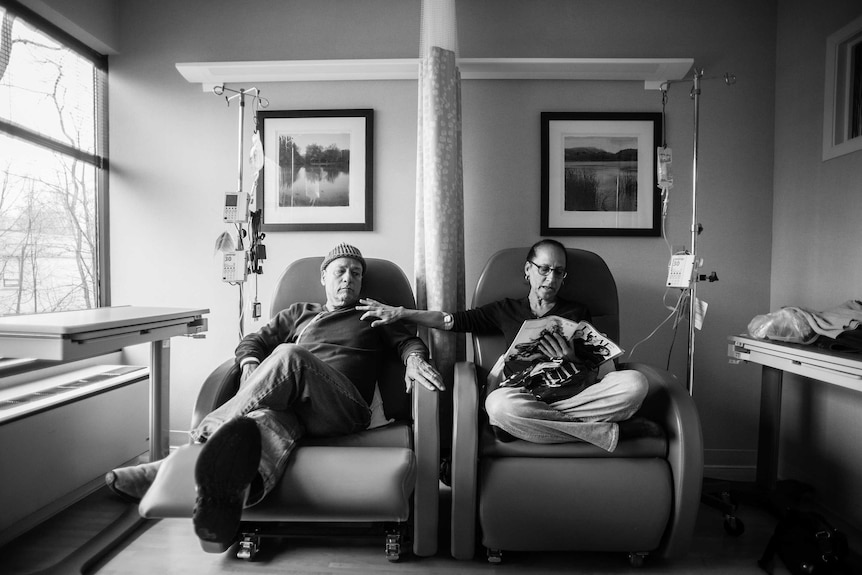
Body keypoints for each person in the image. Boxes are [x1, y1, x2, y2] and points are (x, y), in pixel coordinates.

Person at [105, 243, 444, 550]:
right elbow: (251, 341)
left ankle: (185, 456)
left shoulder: (371, 314)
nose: (348, 279)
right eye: (340, 271)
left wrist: (414, 359)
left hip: (342, 407)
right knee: (260, 422)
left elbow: (407, 341)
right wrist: (252, 364)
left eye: (356, 273)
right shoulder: (299, 313)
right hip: (294, 411)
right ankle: (226, 501)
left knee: (288, 355)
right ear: (324, 276)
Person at [357, 239, 647, 453]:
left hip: (573, 397)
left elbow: (596, 363)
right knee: (498, 405)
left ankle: (533, 427)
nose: (551, 278)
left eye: (559, 272)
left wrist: (570, 357)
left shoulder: (577, 311)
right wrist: (403, 313)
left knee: (635, 383)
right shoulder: (506, 309)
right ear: (528, 270)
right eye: (544, 269)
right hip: (524, 397)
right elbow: (449, 321)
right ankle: (608, 433)